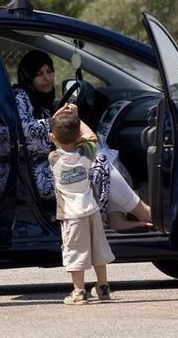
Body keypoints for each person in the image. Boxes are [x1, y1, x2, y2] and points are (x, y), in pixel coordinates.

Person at [13, 50, 152, 230]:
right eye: (39, 74)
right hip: (32, 173)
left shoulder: (40, 99)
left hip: (48, 164)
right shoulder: (20, 96)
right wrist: (60, 120)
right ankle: (143, 213)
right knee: (97, 160)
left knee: (102, 153)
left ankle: (116, 217)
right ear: (28, 77)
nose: (47, 78)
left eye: (49, 71)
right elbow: (26, 133)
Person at [49, 104, 116, 305]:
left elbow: (54, 135)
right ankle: (103, 287)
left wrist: (58, 115)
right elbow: (91, 136)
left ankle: (79, 291)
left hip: (71, 215)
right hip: (92, 210)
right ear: (78, 136)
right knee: (98, 250)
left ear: (54, 138)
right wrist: (76, 118)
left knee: (76, 253)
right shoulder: (86, 154)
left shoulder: (54, 158)